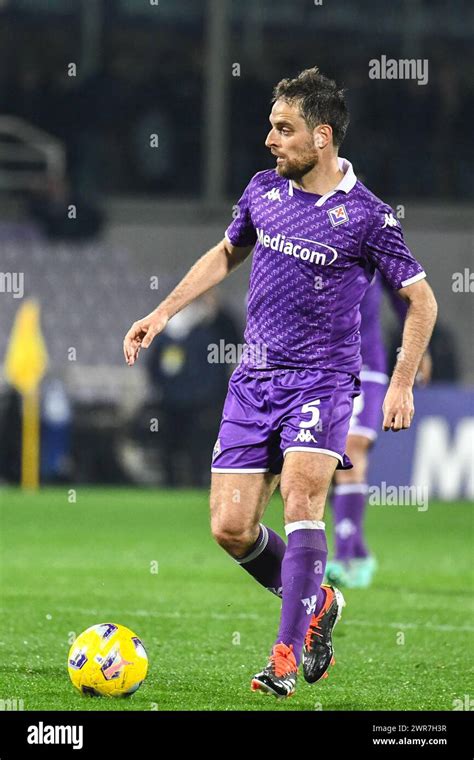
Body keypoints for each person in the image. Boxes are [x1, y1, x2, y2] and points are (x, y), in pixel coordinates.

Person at [123, 67, 437, 699]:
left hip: (321, 382)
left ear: (321, 137)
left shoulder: (368, 217)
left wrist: (399, 383)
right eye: (271, 126)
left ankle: (284, 657)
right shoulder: (264, 191)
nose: (270, 139)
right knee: (230, 528)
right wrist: (162, 313)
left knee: (300, 503)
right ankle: (318, 601)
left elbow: (422, 300)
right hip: (253, 379)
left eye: (283, 128)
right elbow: (225, 252)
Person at [327, 272, 432, 588]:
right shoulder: (310, 242)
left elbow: (409, 299)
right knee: (325, 463)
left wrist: (418, 352)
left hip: (365, 365)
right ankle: (359, 552)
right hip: (318, 368)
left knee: (351, 451)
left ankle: (344, 558)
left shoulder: (375, 237)